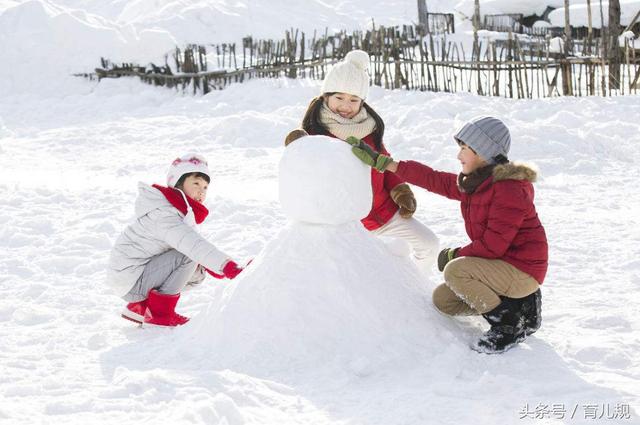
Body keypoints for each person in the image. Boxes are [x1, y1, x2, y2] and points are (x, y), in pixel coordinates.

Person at [349, 116, 548, 354]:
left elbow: (493, 246)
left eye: (465, 148)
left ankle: (509, 325)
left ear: (484, 153)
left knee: (457, 271)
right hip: (502, 266)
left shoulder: (508, 189)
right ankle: (524, 308)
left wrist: (455, 254)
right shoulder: (478, 182)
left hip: (522, 270)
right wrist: (386, 163)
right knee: (444, 300)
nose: (459, 155)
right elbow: (433, 179)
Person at [297, 49, 439, 272]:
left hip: (383, 212)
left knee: (429, 244)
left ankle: (413, 283)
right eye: (339, 98)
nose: (346, 105)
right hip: (344, 224)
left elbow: (384, 162)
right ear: (326, 96)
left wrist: (399, 189)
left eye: (354, 99)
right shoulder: (316, 134)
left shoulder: (368, 128)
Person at [107, 153, 247, 327]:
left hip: (133, 276)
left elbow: (193, 245)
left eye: (205, 187)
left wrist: (214, 267)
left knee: (196, 271)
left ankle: (140, 307)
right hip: (130, 280)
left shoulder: (178, 212)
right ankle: (160, 315)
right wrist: (229, 268)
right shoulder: (165, 215)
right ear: (178, 184)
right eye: (196, 183)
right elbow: (192, 246)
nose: (201, 191)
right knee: (188, 256)